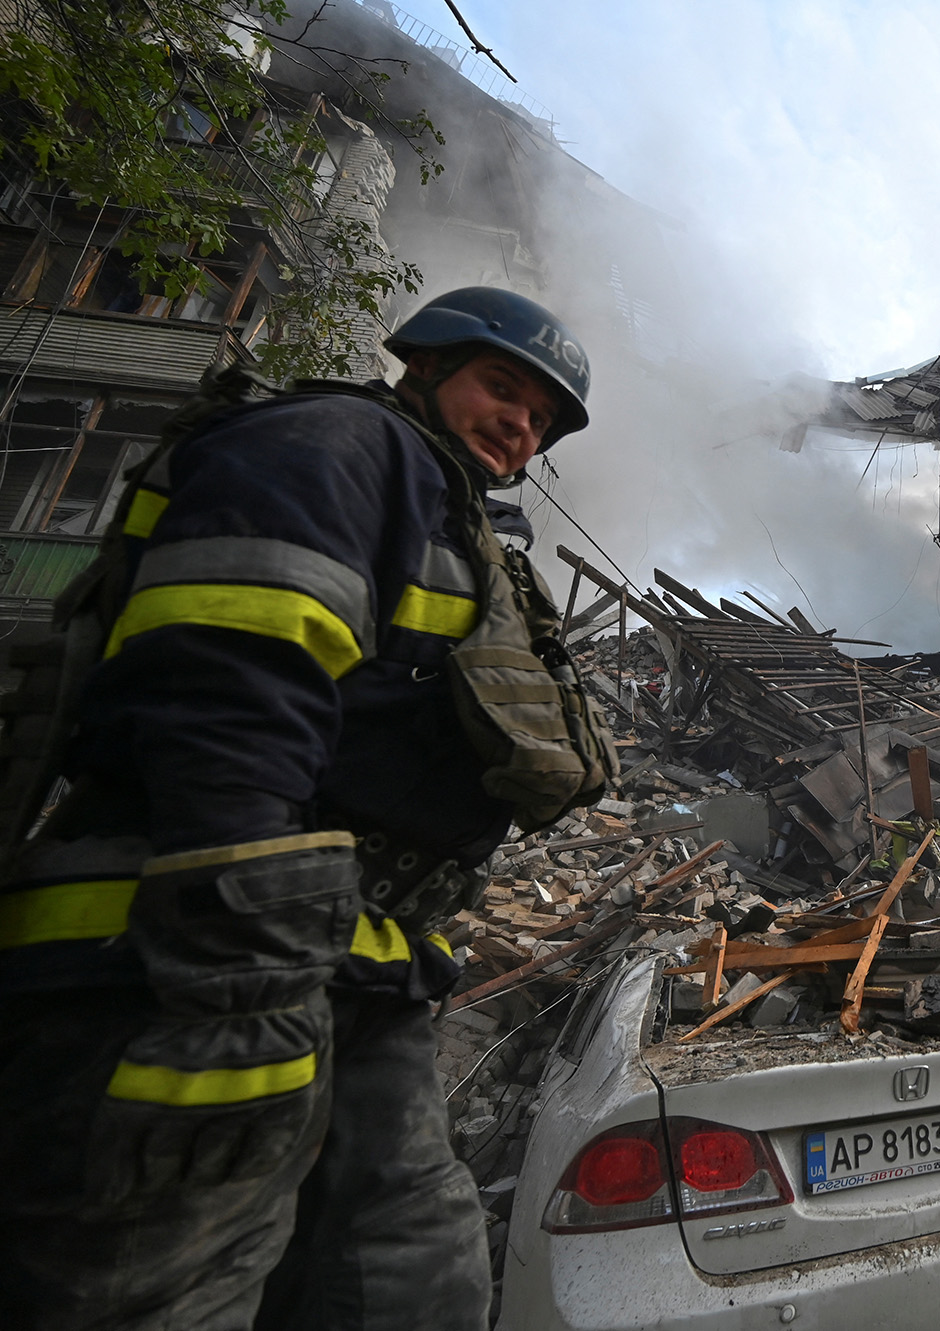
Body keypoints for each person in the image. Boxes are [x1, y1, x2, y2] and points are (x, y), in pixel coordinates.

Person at [0, 287, 615, 1329]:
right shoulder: (335, 444)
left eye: (541, 417)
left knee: (413, 1278)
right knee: (162, 1275)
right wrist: (238, 948)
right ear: (422, 367)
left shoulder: (452, 516)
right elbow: (230, 671)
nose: (520, 423)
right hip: (185, 955)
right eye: (500, 387)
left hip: (359, 967)